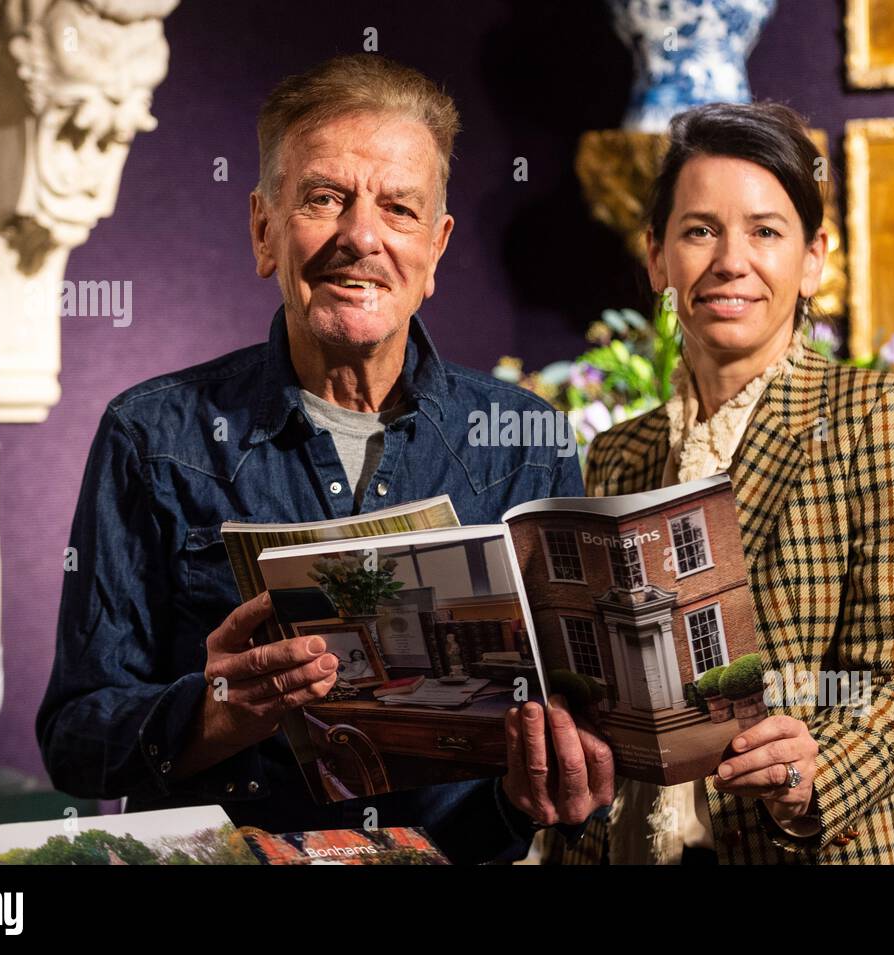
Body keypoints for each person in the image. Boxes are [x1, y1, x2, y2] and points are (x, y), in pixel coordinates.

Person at [36, 54, 610, 865]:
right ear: (264, 230)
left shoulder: (528, 439)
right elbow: (74, 739)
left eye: (399, 208)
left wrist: (549, 783)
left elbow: (572, 733)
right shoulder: (150, 434)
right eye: (323, 198)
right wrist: (215, 712)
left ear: (436, 248)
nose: (361, 237)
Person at [550, 102, 894, 864]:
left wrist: (816, 774)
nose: (730, 260)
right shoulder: (616, 454)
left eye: (766, 231)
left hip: (812, 846)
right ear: (657, 257)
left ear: (813, 260)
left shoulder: (879, 414)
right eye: (700, 230)